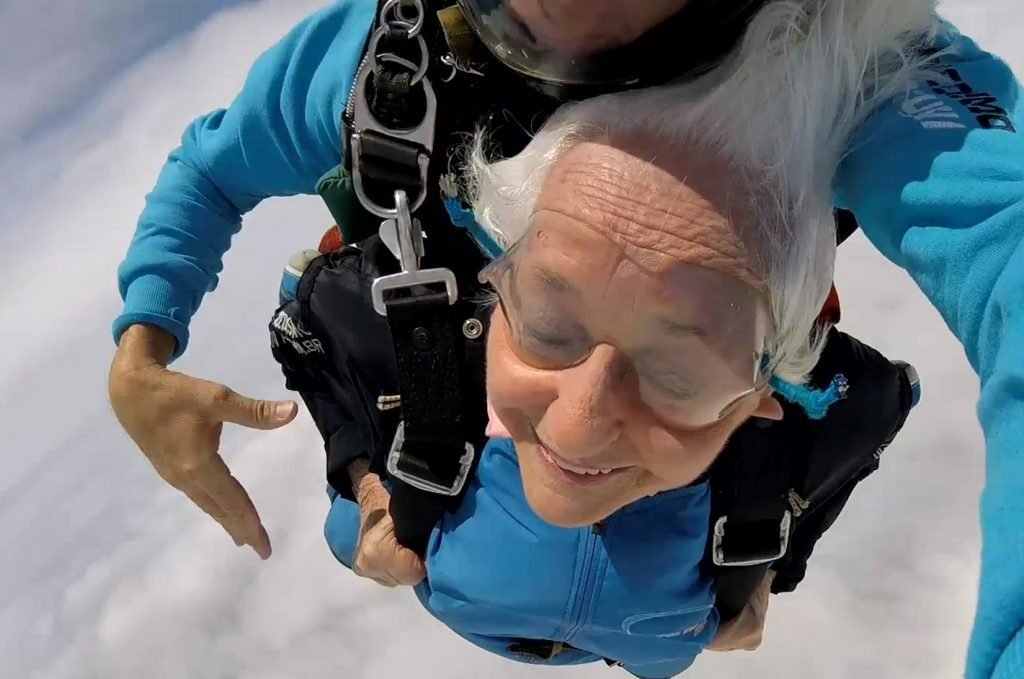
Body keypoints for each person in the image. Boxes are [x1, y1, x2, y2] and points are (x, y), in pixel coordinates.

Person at [105, 1, 1024, 677]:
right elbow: (213, 167)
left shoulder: (865, 60)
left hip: (685, 436)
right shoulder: (390, 62)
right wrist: (143, 345)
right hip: (473, 406)